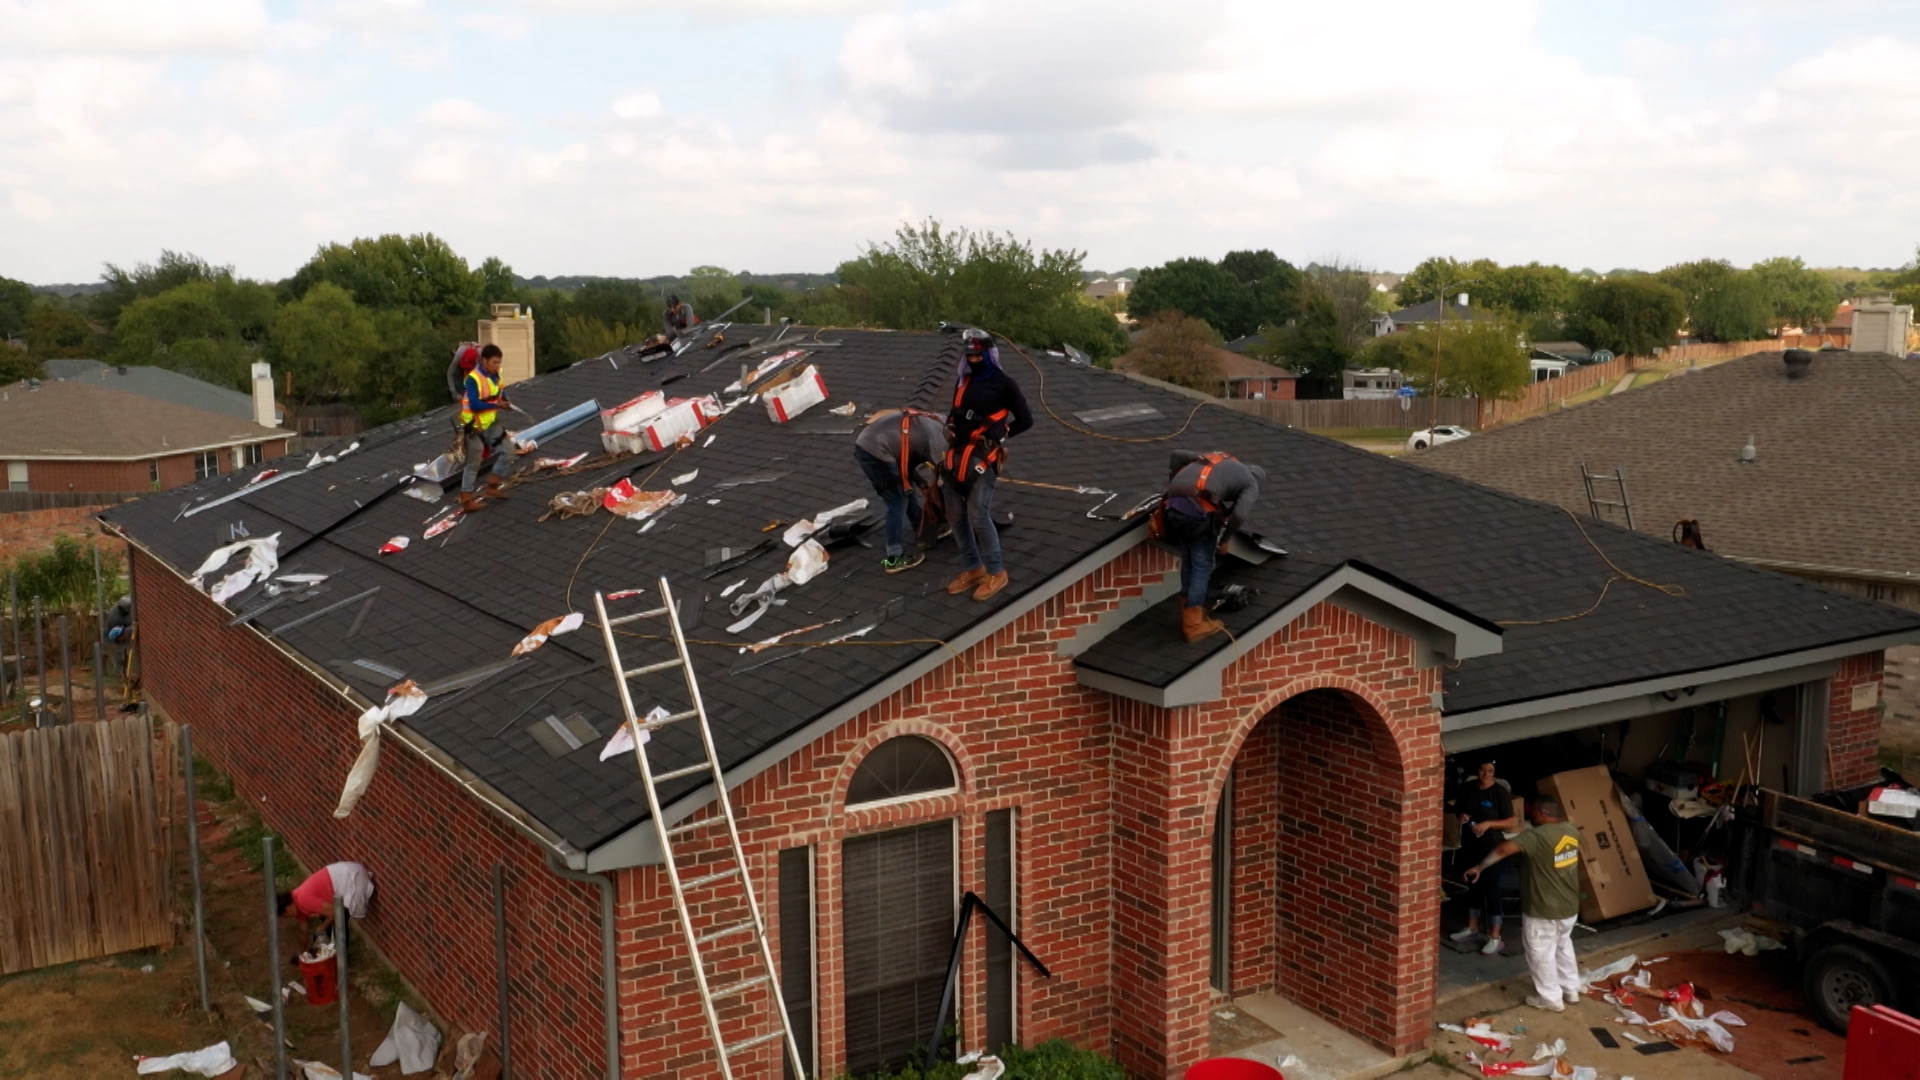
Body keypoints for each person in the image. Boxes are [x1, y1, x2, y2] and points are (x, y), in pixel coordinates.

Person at [1463, 795, 1584, 1012]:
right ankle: (1571, 989)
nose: (1531, 817)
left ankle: (1550, 998)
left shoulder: (1536, 837)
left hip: (1543, 908)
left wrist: (1479, 867)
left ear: (1542, 813)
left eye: (1533, 813)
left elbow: (1502, 849)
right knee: (1563, 944)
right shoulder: (1571, 831)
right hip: (1569, 905)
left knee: (1540, 952)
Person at [941, 329, 1031, 601]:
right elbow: (955, 412)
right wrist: (949, 426)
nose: (973, 360)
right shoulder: (963, 381)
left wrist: (999, 436)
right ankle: (974, 568)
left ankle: (996, 571)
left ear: (988, 355)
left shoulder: (1004, 383)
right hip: (956, 455)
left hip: (983, 456)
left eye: (978, 356)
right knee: (955, 515)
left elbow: (1025, 420)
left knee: (978, 515)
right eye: (969, 356)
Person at [1161, 450, 1266, 643]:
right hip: (1196, 513)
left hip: (1173, 506)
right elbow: (1240, 514)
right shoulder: (1251, 484)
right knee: (1202, 564)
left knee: (1190, 560)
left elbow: (1176, 455)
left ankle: (1189, 611)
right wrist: (1225, 540)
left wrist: (1174, 485)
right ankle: (1193, 626)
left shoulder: (1222, 461)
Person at [854, 407, 948, 573]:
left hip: (877, 444)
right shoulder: (939, 439)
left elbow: (911, 454)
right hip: (876, 452)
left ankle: (922, 529)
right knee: (897, 500)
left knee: (906, 488)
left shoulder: (938, 420)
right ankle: (894, 558)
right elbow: (942, 479)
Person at [1449, 760, 1519, 955]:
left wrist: (1489, 824)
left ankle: (1495, 937)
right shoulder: (1469, 787)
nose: (1485, 774)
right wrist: (1462, 817)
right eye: (1482, 770)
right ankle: (1472, 927)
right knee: (1472, 885)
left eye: (1490, 771)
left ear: (1494, 773)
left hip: (1492, 848)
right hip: (1471, 845)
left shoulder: (1499, 793)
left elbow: (1510, 822)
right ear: (1477, 771)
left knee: (1492, 889)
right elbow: (1459, 809)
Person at [459, 345, 517, 513]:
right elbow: (475, 404)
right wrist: (497, 404)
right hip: (474, 426)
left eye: (499, 363)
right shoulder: (473, 379)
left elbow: (500, 391)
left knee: (509, 451)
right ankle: (467, 499)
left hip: (490, 423)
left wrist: (506, 402)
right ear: (484, 360)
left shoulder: (496, 374)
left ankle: (492, 484)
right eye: (494, 363)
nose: (497, 366)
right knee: (474, 462)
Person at [277, 861, 375, 942]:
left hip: (352, 877)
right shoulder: (296, 900)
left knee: (340, 918)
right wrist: (302, 954)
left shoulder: (303, 900)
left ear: (288, 908)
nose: (290, 917)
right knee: (326, 918)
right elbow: (303, 930)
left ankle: (340, 955)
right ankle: (337, 949)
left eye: (286, 915)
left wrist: (321, 929)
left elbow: (336, 912)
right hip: (344, 872)